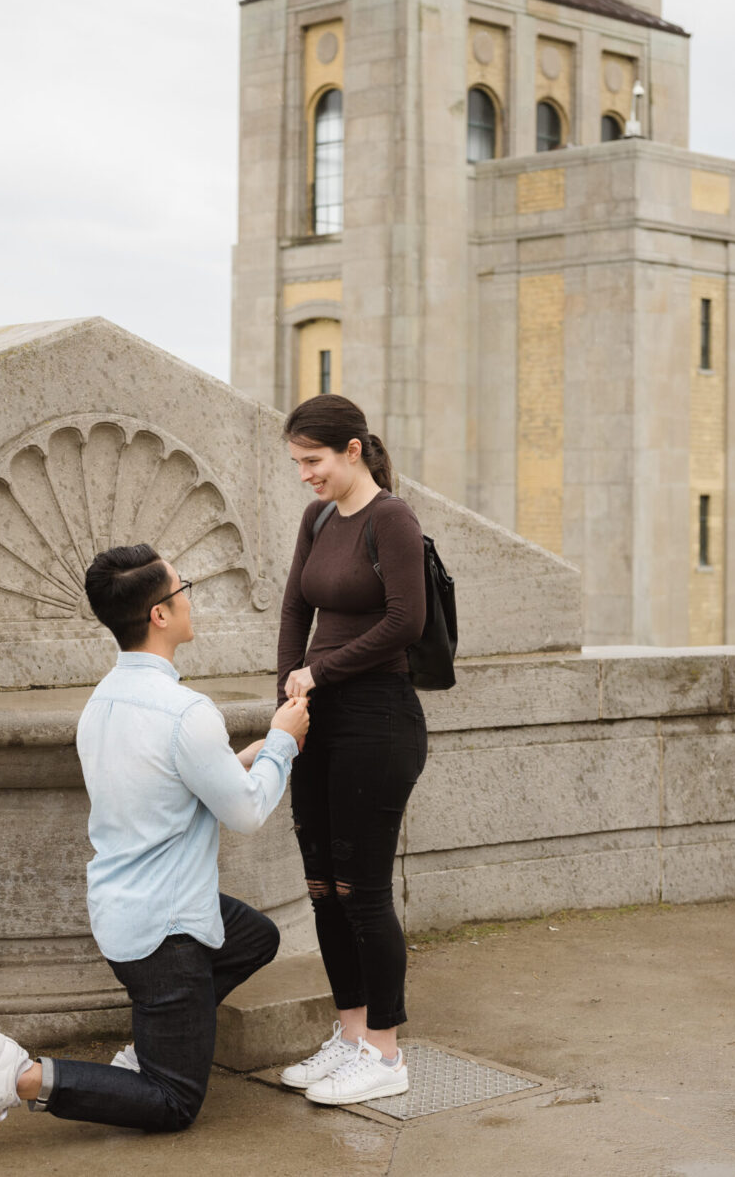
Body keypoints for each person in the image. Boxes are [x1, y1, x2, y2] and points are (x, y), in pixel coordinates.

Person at [0, 543, 309, 1153]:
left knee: (255, 937)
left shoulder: (102, 702)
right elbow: (245, 811)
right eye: (183, 587)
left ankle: (153, 1040)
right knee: (173, 1101)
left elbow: (183, 780)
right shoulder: (185, 711)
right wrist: (282, 742)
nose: (191, 596)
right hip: (165, 935)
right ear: (160, 615)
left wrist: (244, 756)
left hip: (122, 912)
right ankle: (22, 1076)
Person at [276, 395, 427, 1106]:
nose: (305, 475)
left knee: (363, 892)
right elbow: (294, 609)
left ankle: (387, 1055)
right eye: (299, 463)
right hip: (319, 721)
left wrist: (323, 671)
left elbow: (406, 620)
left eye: (314, 461)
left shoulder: (390, 517)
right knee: (322, 890)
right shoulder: (316, 519)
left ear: (353, 451)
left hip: (377, 719)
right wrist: (288, 696)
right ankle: (351, 1035)